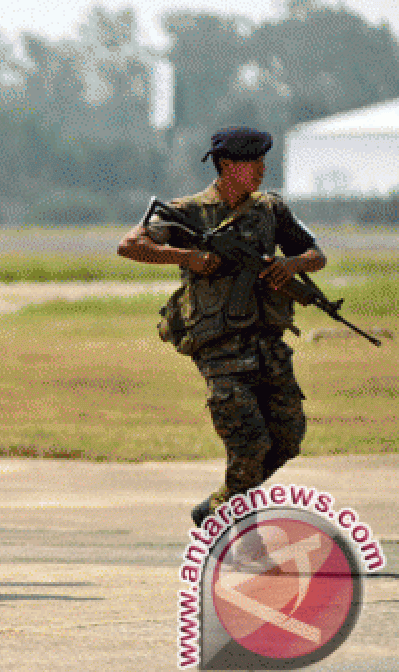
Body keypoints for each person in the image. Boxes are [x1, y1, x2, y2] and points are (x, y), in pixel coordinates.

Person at [116, 127, 325, 527]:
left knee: (288, 437)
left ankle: (219, 507)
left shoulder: (270, 210)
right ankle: (237, 529)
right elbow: (130, 245)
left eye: (264, 161)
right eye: (254, 163)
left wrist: (292, 265)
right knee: (249, 445)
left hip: (268, 343)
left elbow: (315, 255)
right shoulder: (189, 211)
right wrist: (188, 257)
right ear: (227, 166)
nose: (263, 170)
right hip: (220, 348)